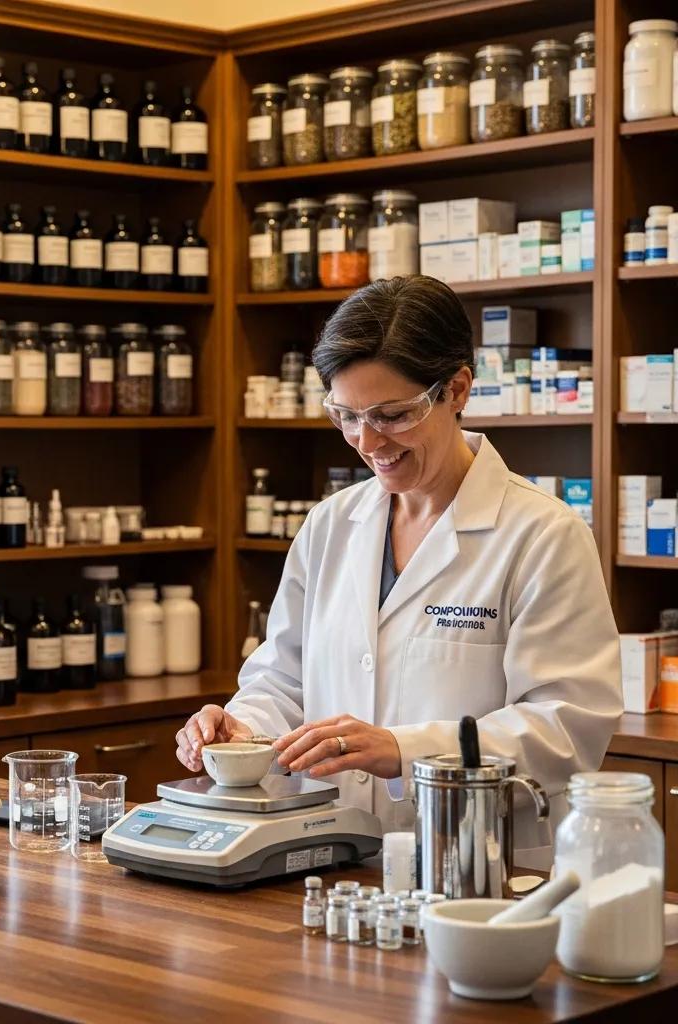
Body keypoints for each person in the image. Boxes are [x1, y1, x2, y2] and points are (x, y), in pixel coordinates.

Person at [176, 276, 621, 856]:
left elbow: (567, 727)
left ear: (457, 389)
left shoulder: (542, 535)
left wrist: (405, 750)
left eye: (392, 414)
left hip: (476, 866)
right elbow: (283, 680)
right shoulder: (330, 526)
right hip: (329, 855)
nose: (367, 441)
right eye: (346, 415)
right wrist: (241, 728)